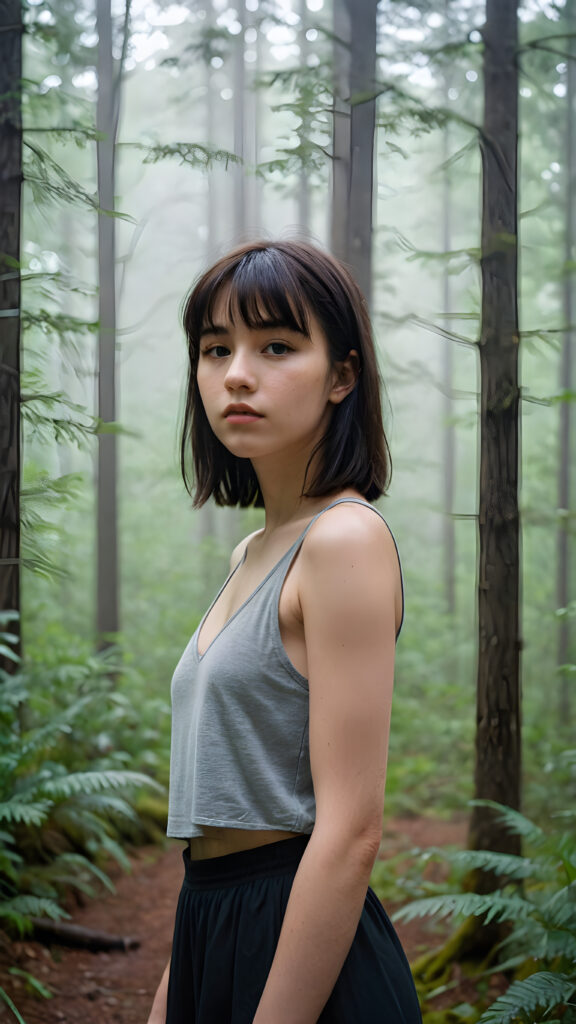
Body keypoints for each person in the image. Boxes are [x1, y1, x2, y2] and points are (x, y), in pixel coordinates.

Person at [147, 239, 422, 1024]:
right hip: (215, 925)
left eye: (276, 346)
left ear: (343, 375)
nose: (236, 373)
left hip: (302, 955)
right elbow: (215, 840)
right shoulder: (254, 551)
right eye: (214, 349)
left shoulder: (344, 541)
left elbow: (350, 832)